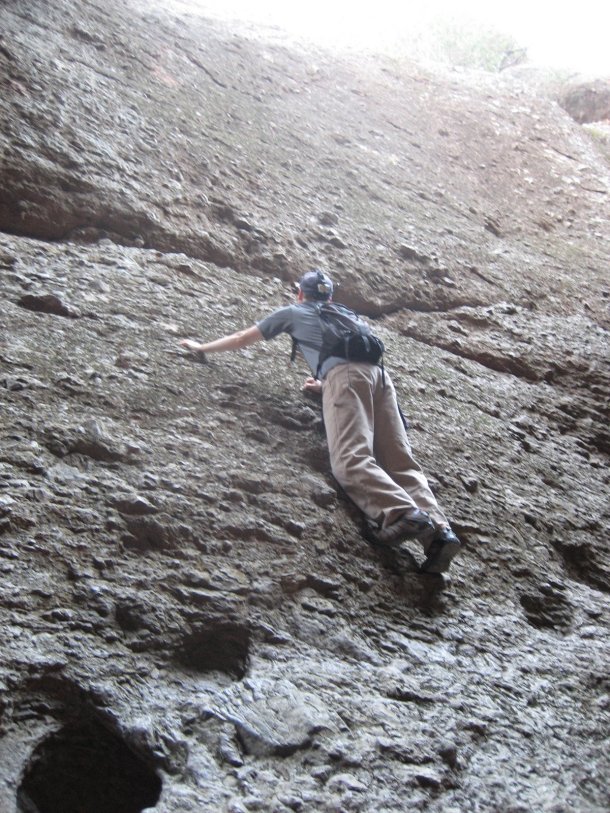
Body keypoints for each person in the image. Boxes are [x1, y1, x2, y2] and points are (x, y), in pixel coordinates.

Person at [180, 269, 460, 573]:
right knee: (401, 463)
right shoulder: (345, 313)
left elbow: (241, 338)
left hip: (346, 378)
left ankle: (401, 513)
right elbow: (358, 362)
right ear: (329, 296)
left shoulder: (293, 311)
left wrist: (201, 347)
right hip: (380, 379)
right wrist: (328, 385)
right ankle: (440, 534)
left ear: (301, 293)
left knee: (351, 459)